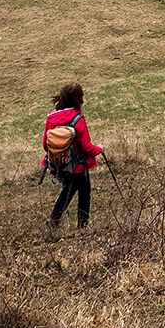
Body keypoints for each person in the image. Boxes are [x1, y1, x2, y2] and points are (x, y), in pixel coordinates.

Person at [41, 82, 105, 229]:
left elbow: (45, 144)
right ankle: (82, 225)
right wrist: (99, 149)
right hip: (78, 166)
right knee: (84, 192)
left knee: (69, 189)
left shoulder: (51, 118)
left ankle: (54, 219)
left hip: (58, 163)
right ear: (79, 99)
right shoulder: (78, 119)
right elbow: (87, 147)